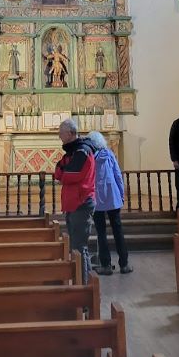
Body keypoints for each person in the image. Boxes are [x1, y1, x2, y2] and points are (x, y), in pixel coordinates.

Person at [54, 118, 95, 283]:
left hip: (81, 203)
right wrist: (63, 172)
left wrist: (63, 173)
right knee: (77, 248)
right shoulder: (72, 152)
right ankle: (87, 285)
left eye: (61, 134)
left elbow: (71, 175)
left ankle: (83, 290)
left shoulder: (81, 151)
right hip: (73, 203)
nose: (59, 137)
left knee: (79, 249)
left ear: (71, 133)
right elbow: (58, 170)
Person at [85, 131, 132, 276]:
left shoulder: (90, 158)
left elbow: (87, 179)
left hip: (97, 199)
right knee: (118, 231)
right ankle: (124, 264)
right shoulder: (110, 155)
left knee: (101, 233)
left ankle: (105, 265)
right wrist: (121, 195)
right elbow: (118, 175)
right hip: (113, 197)